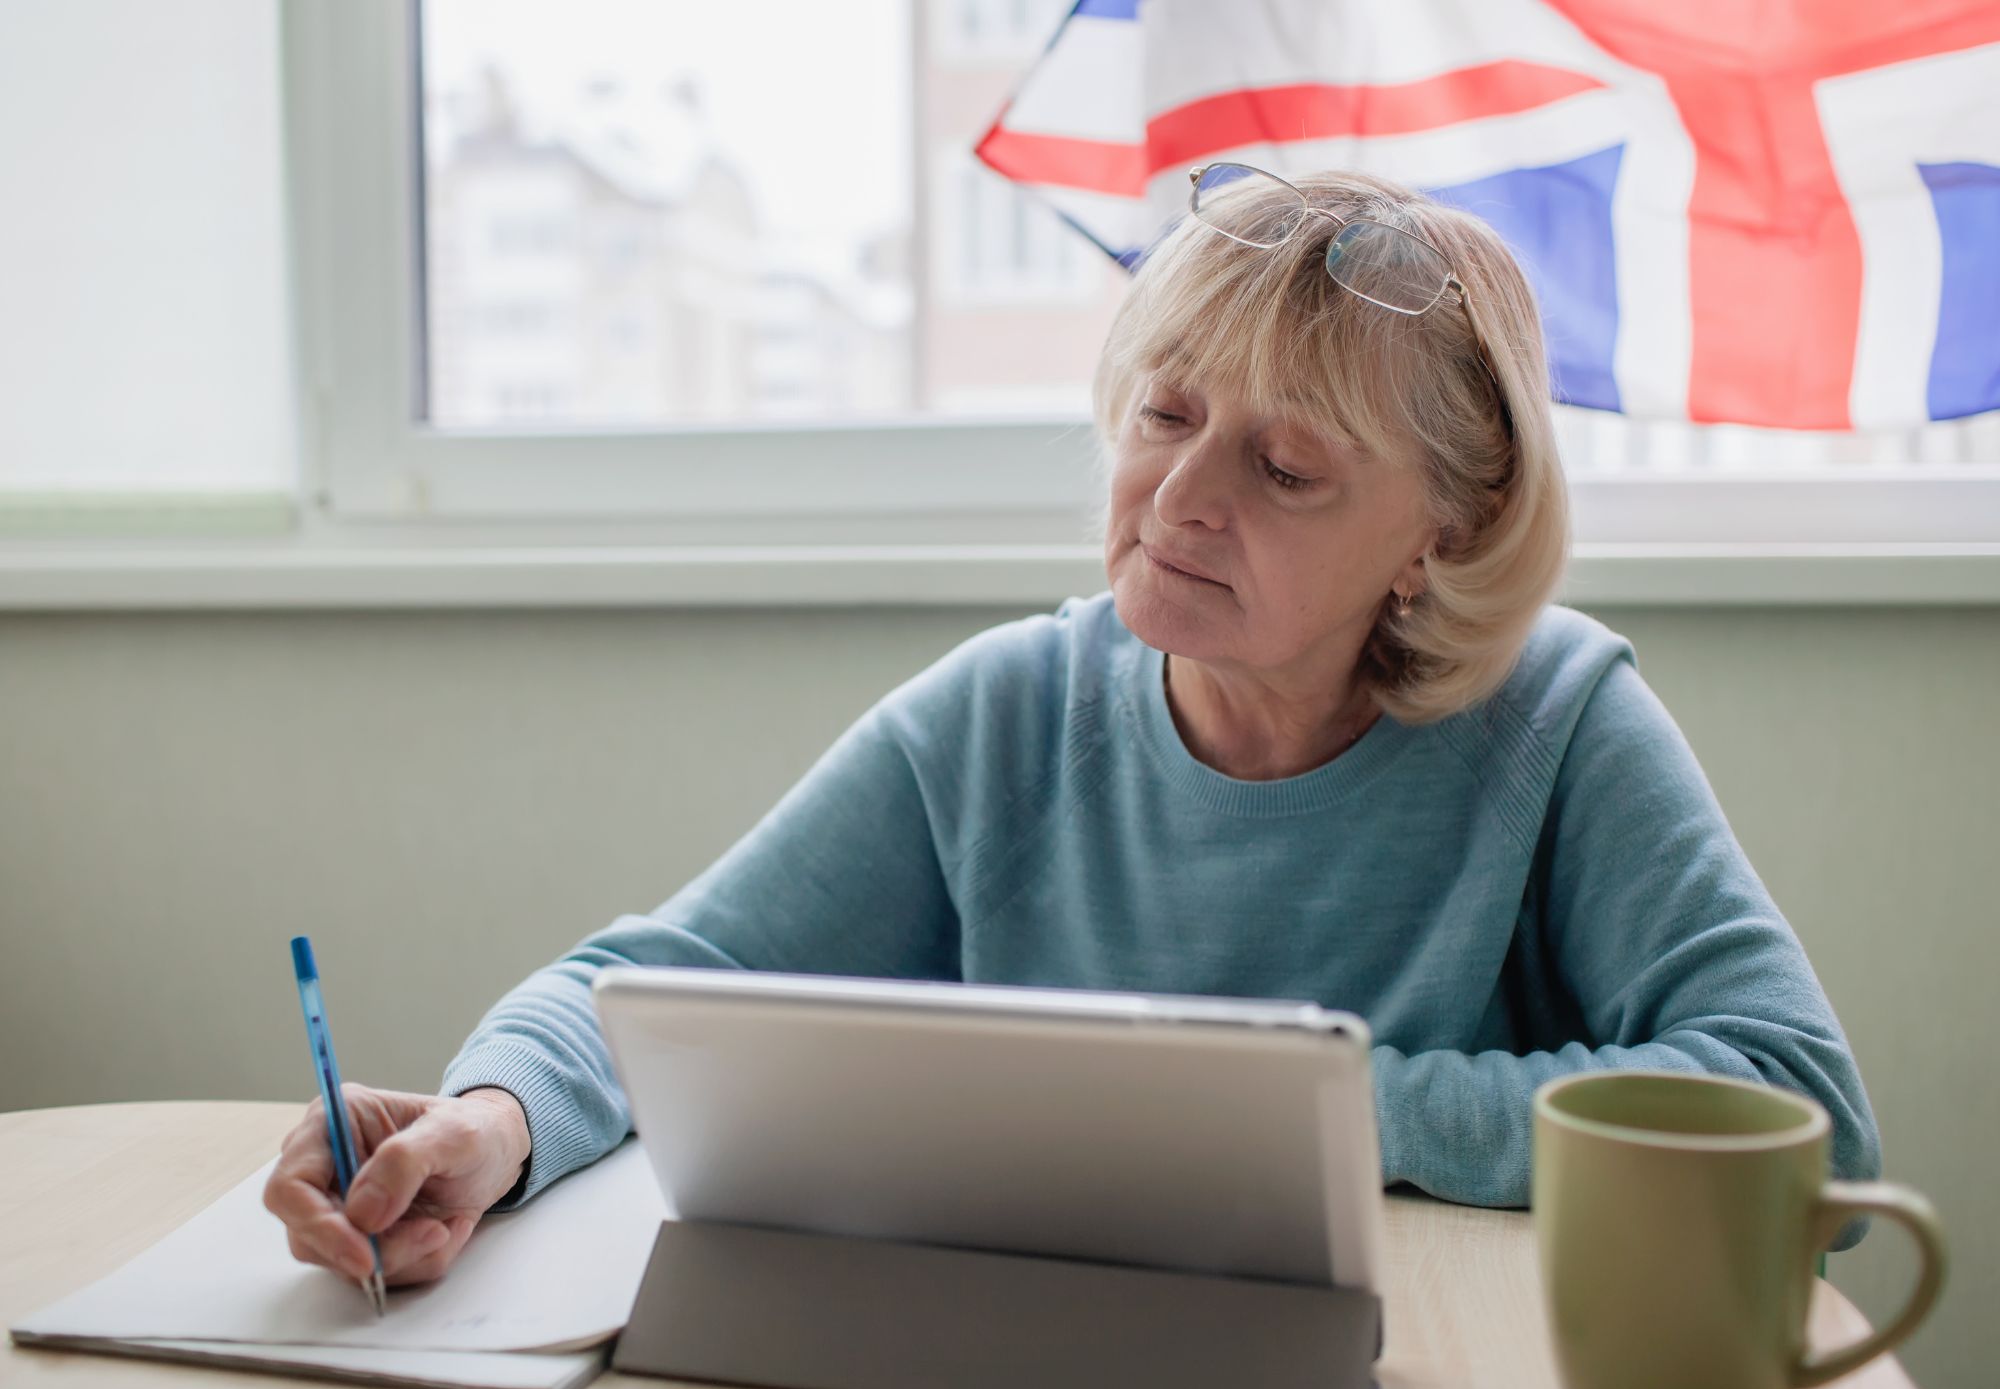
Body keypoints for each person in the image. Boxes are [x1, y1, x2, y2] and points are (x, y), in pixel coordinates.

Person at [265, 167, 1881, 1289]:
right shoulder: (1010, 709)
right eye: (1166, 411)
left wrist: (1324, 1115)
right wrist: (489, 1120)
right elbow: (653, 982)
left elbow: (1799, 1113)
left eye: (1284, 466)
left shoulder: (1559, 720)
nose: (1177, 497)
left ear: (1440, 535)